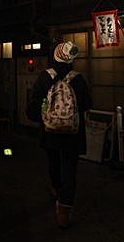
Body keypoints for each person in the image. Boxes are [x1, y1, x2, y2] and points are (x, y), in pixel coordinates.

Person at [27, 41, 93, 229]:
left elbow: (34, 106)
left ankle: (57, 190)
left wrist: (40, 116)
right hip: (73, 133)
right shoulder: (78, 79)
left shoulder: (45, 77)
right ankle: (64, 211)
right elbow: (87, 104)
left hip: (51, 131)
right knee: (70, 168)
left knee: (53, 161)